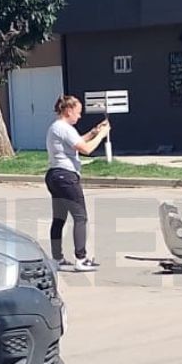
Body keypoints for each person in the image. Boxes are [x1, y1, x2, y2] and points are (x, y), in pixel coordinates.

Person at [46, 95, 111, 272]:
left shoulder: (57, 127)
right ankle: (81, 259)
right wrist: (102, 136)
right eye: (78, 112)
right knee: (80, 217)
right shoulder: (64, 128)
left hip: (54, 175)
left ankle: (57, 258)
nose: (79, 116)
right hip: (66, 177)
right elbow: (86, 149)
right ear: (68, 111)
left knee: (59, 218)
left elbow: (77, 142)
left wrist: (93, 132)